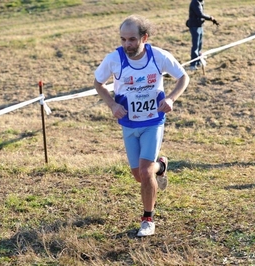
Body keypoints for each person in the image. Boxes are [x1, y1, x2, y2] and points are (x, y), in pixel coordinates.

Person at [94, 15, 190, 237]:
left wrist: (171, 99)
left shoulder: (159, 56)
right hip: (128, 123)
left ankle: (148, 218)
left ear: (144, 37)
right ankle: (161, 166)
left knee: (145, 173)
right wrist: (111, 105)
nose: (127, 44)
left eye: (132, 39)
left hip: (153, 122)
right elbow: (98, 83)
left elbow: (183, 77)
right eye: (123, 39)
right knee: (139, 175)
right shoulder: (114, 59)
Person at [187, 0, 219, 70]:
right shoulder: (195, 2)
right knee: (195, 46)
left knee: (199, 45)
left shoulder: (200, 2)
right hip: (194, 26)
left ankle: (198, 61)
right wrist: (210, 18)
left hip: (199, 25)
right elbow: (200, 14)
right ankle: (193, 64)